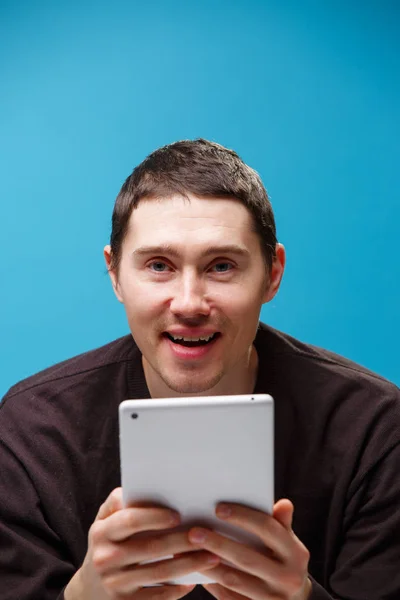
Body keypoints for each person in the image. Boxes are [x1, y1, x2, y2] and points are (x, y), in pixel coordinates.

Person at [0, 139, 399, 600]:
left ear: (272, 274)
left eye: (222, 266)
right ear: (114, 275)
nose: (189, 303)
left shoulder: (375, 428)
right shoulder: (29, 429)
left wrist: (302, 598)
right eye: (158, 265)